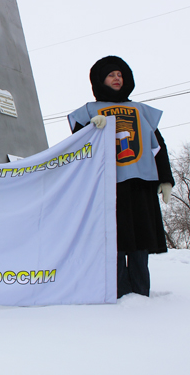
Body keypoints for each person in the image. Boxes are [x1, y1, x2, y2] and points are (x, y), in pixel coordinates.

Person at [68, 56, 174, 298]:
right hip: (106, 187)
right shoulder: (87, 112)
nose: (117, 78)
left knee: (141, 242)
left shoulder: (141, 111)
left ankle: (140, 292)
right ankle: (116, 294)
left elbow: (158, 145)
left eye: (120, 74)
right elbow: (76, 149)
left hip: (140, 185)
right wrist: (90, 130)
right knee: (112, 242)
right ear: (100, 80)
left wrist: (165, 179)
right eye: (111, 75)